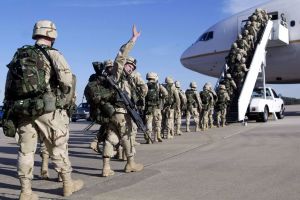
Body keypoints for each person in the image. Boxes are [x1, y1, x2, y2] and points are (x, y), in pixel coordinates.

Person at [3, 20, 83, 199]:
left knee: (26, 151)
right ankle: (67, 185)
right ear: (52, 35)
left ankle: (26, 192)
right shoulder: (53, 54)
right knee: (58, 147)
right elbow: (67, 80)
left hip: (23, 110)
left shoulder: (20, 55)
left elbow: (9, 86)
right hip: (47, 110)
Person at [101, 25, 148, 177]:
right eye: (129, 65)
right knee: (127, 136)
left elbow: (143, 91)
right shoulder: (117, 73)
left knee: (111, 138)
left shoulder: (127, 80)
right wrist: (133, 40)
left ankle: (106, 168)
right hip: (120, 112)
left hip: (114, 112)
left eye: (133, 67)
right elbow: (121, 55)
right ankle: (130, 163)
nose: (131, 68)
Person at [144, 72, 168, 143]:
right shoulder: (158, 85)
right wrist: (161, 97)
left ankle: (149, 139)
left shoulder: (145, 85)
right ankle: (157, 137)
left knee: (149, 122)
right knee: (157, 122)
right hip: (157, 107)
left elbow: (142, 95)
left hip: (148, 107)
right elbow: (166, 93)